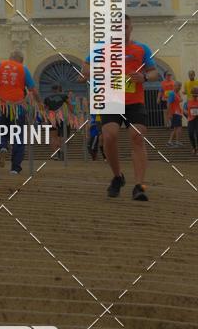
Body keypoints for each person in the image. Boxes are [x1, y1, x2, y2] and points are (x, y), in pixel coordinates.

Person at [82, 15, 158, 201]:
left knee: (137, 136)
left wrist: (145, 78)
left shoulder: (142, 49)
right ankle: (118, 177)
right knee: (109, 136)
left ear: (131, 28)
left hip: (135, 101)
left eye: (125, 27)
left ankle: (139, 186)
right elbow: (85, 65)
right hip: (111, 100)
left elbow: (154, 72)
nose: (121, 30)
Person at [0, 50, 38, 174]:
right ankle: (15, 168)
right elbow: (32, 89)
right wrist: (40, 102)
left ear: (10, 58)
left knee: (2, 130)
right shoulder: (23, 69)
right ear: (21, 60)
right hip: (18, 106)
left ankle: (3, 147)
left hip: (2, 105)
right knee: (18, 136)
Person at [43, 84, 70, 161]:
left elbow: (45, 109)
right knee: (63, 136)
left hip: (51, 117)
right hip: (61, 116)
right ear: (59, 89)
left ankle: (56, 153)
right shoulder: (64, 96)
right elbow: (70, 105)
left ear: (52, 90)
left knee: (53, 137)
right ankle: (61, 151)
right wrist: (73, 114)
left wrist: (45, 119)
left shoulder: (47, 98)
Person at [167, 83, 183, 147]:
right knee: (177, 128)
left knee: (176, 128)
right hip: (175, 113)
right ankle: (173, 141)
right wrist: (170, 113)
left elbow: (180, 100)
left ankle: (173, 141)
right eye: (178, 86)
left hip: (178, 113)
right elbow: (168, 103)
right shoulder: (172, 93)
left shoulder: (177, 94)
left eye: (180, 86)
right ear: (175, 86)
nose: (179, 87)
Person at [184, 86, 198, 155]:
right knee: (190, 134)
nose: (195, 96)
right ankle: (194, 147)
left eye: (196, 94)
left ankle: (197, 149)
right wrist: (186, 113)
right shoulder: (188, 102)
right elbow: (184, 110)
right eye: (194, 94)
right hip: (191, 120)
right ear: (192, 94)